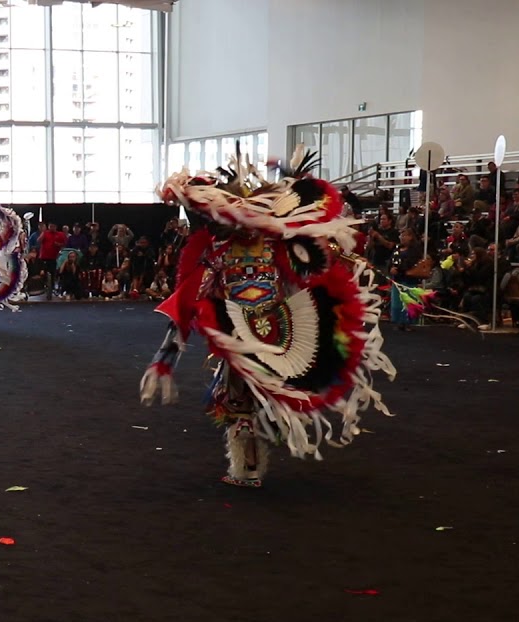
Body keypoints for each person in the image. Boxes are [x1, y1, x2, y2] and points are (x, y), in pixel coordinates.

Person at [139, 148, 396, 488]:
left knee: (239, 401)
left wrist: (165, 357)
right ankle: (255, 458)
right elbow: (308, 266)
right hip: (275, 327)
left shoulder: (219, 253)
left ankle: (246, 471)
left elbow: (187, 305)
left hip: (242, 330)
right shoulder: (273, 248)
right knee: (259, 394)